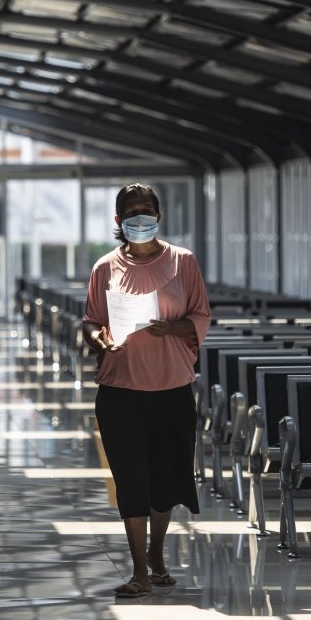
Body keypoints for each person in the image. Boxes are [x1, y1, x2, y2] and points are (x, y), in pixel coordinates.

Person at [82, 183, 210, 598]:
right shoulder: (105, 267)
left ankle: (156, 553)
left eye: (147, 210)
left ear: (158, 216)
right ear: (119, 221)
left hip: (171, 386)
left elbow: (200, 316)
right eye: (132, 212)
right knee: (131, 478)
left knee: (165, 478)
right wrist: (99, 338)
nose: (141, 217)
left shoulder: (183, 262)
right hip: (121, 389)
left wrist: (169, 327)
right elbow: (90, 322)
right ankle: (139, 570)